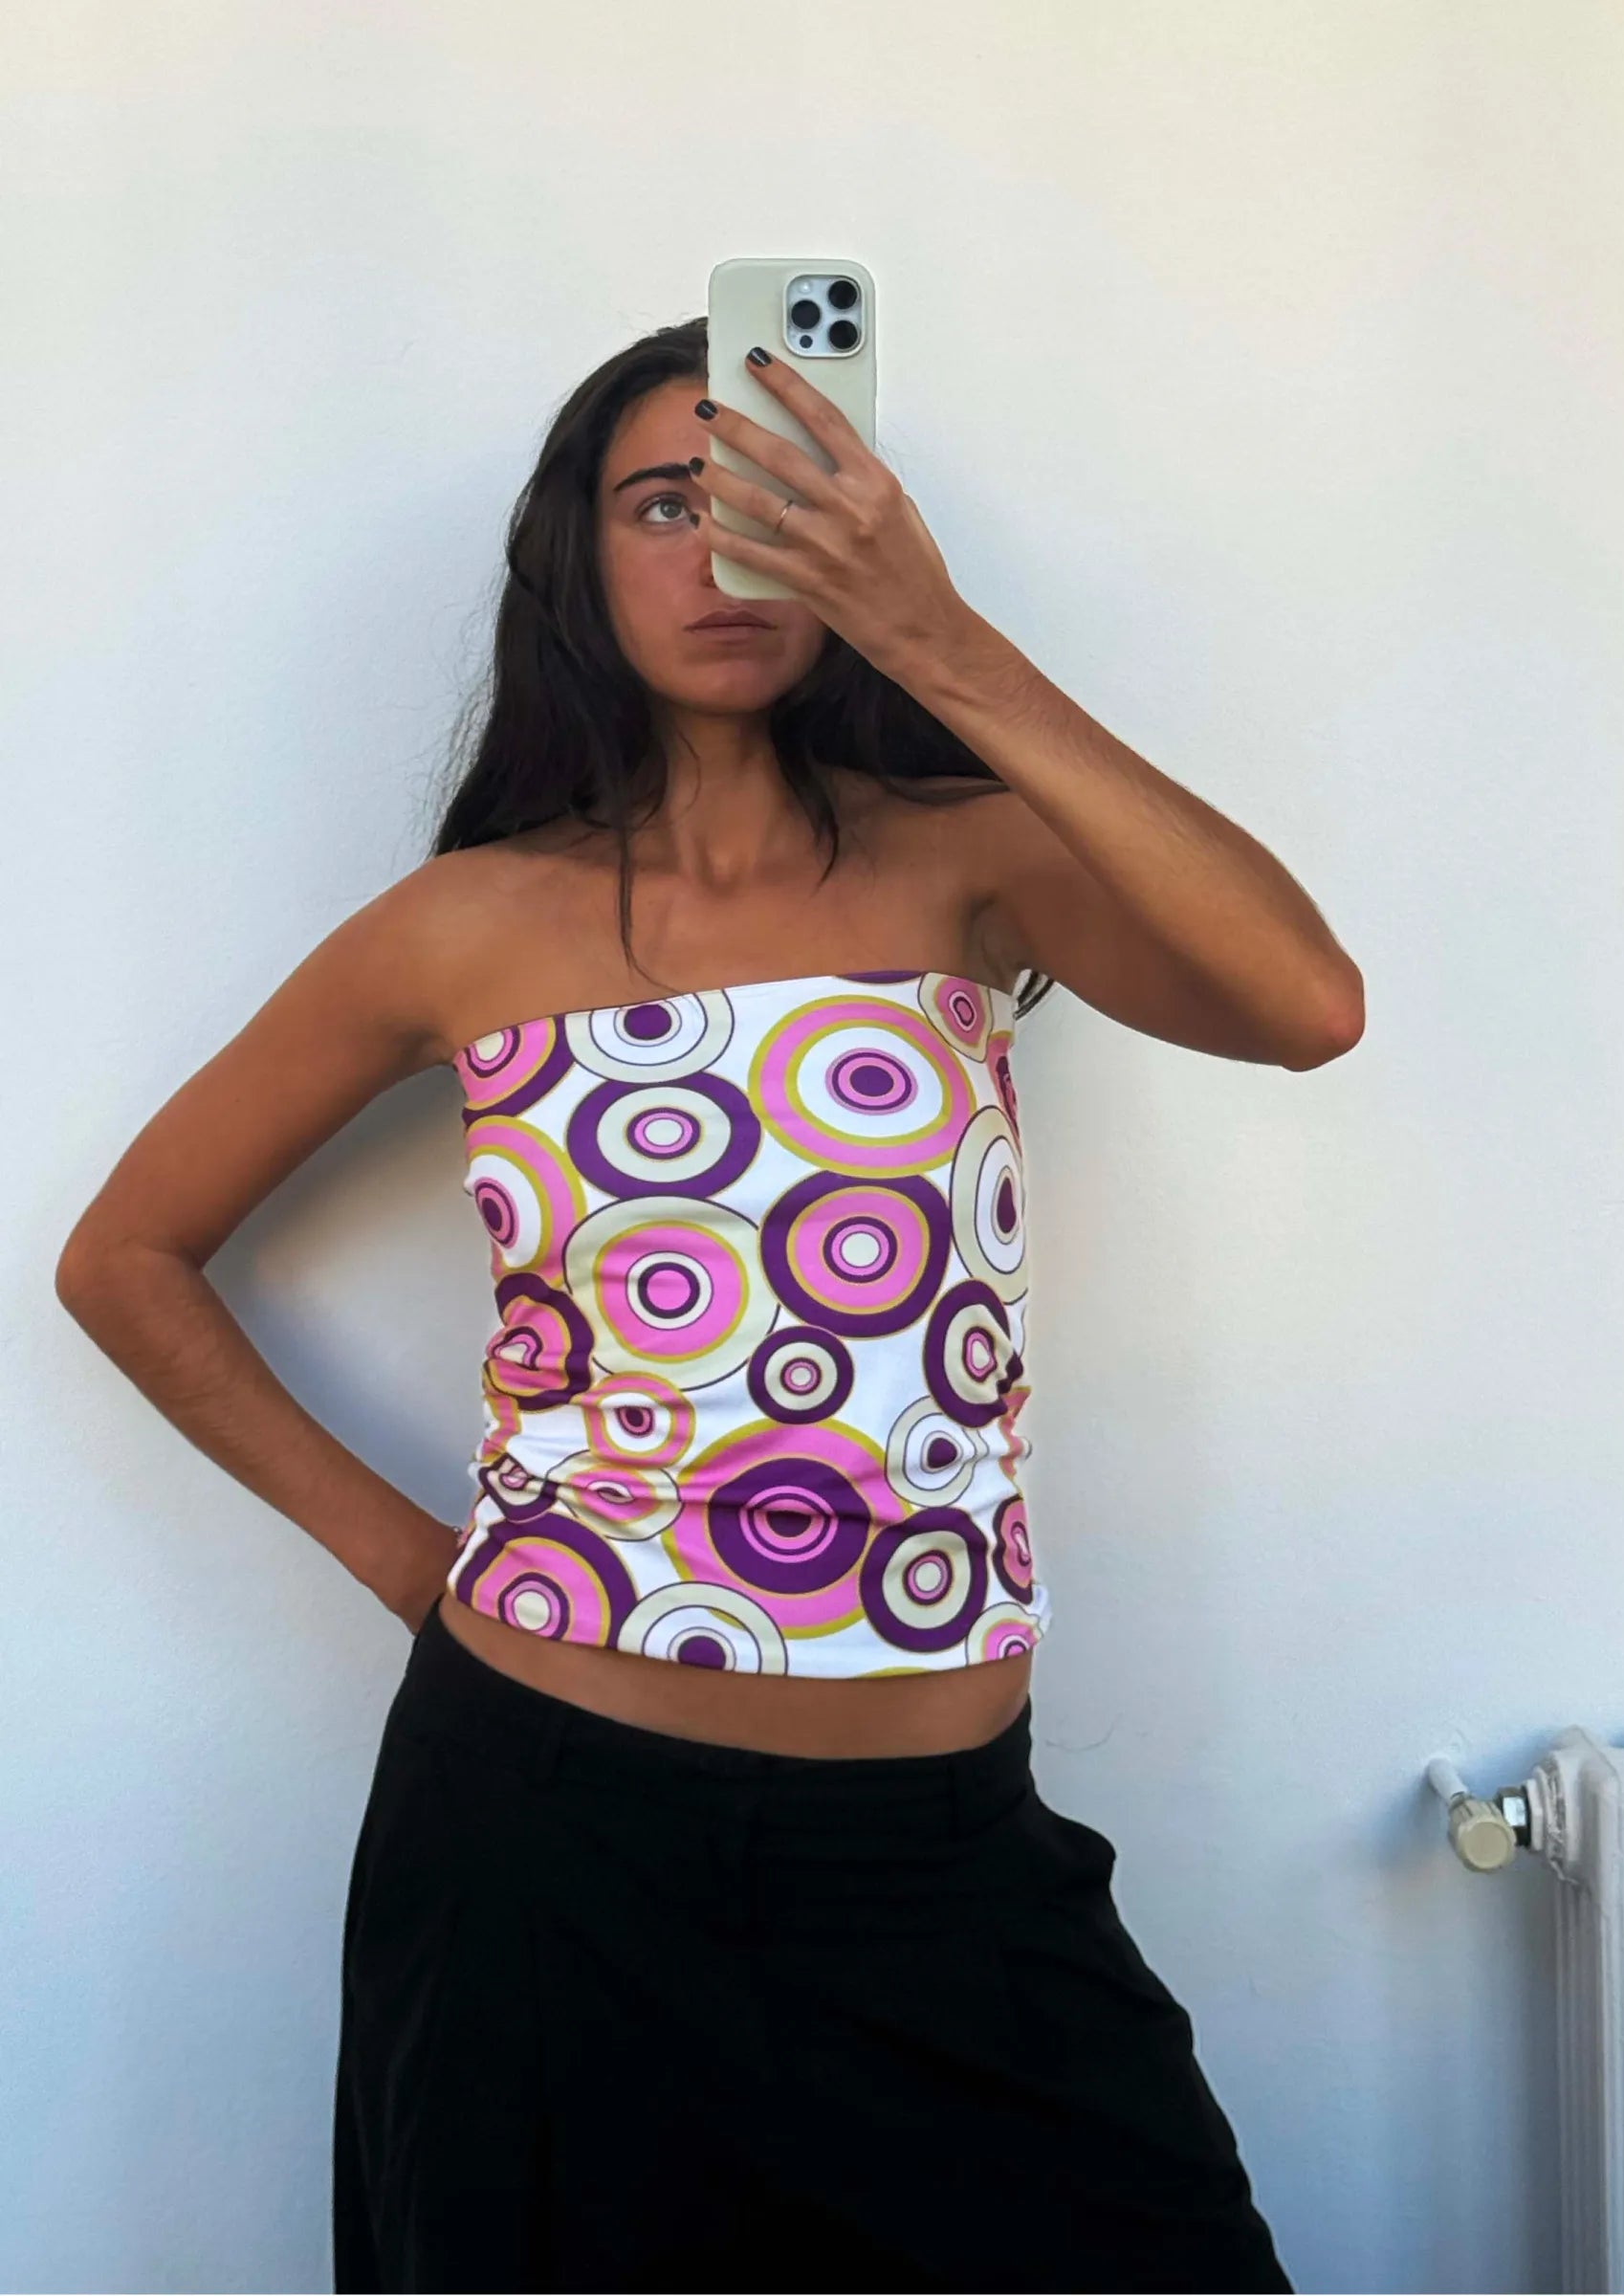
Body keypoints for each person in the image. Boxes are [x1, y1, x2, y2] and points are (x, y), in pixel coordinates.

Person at [56, 313, 1360, 2292]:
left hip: (942, 1863)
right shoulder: (464, 923)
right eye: (666, 503)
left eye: (774, 503)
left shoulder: (975, 868)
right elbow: (126, 1258)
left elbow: (1305, 1005)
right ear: (576, 557)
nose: (721, 551)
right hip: (546, 1847)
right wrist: (414, 1566)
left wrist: (943, 640)